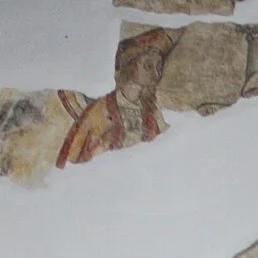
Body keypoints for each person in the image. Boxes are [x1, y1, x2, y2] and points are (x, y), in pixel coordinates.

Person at [55, 27, 176, 168]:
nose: (156, 73)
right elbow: (75, 155)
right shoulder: (101, 110)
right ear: (130, 66)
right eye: (148, 66)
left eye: (159, 66)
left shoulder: (149, 111)